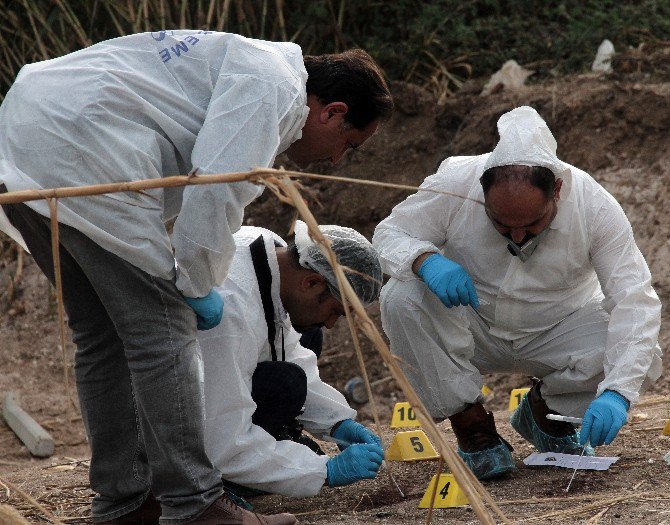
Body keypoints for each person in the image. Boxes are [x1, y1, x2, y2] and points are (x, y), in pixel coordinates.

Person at [0, 30, 392, 524]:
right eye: (348, 145)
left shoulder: (246, 61)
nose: (337, 160)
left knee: (102, 337)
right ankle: (195, 505)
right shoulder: (272, 83)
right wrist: (194, 284)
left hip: (27, 138)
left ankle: (125, 503)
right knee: (163, 333)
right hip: (85, 143)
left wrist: (334, 418)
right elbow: (214, 191)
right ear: (332, 111)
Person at [373, 106, 662, 480]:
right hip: (470, 323)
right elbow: (389, 234)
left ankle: (544, 414)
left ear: (557, 190)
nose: (518, 237)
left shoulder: (594, 206)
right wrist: (424, 259)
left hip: (556, 331)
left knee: (641, 352)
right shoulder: (456, 183)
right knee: (402, 297)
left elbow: (633, 299)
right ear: (482, 191)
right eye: (501, 224)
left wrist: (618, 393)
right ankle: (473, 429)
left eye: (532, 223)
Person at [200, 220, 384, 498]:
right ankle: (221, 484)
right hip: (171, 422)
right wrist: (322, 470)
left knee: (308, 335)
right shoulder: (232, 313)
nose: (333, 323)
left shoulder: (270, 253)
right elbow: (222, 441)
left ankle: (274, 437)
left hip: (216, 373)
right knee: (288, 378)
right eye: (336, 310)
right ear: (311, 281)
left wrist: (337, 422)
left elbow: (288, 348)